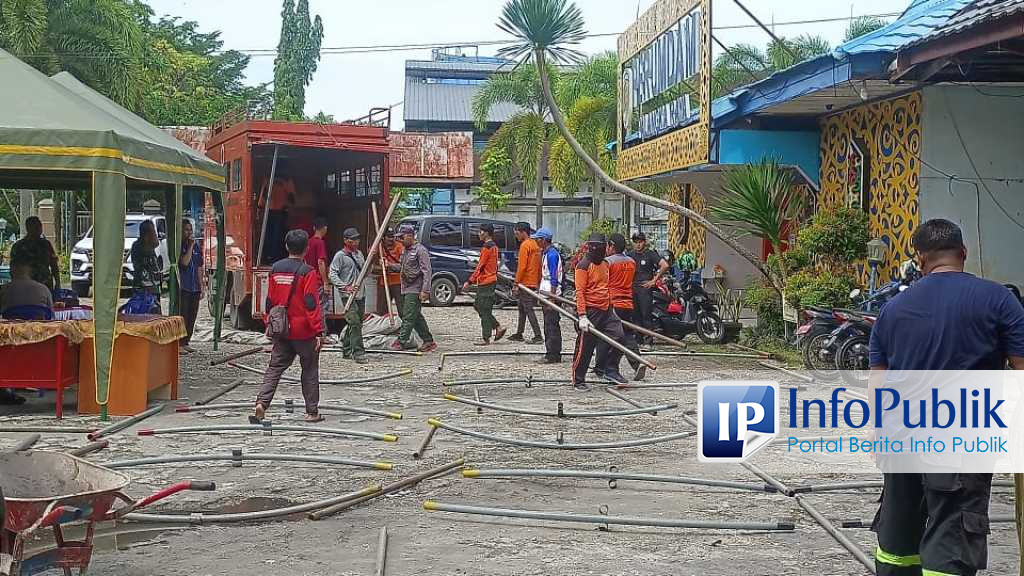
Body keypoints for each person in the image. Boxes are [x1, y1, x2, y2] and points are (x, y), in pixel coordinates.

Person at [868, 219, 1024, 576]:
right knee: (951, 537)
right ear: (964, 253)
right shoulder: (999, 300)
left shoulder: (891, 310)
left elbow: (879, 381)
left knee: (898, 537)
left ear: (920, 259)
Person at [253, 229, 324, 423]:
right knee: (309, 369)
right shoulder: (307, 272)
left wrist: (269, 321)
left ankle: (262, 402)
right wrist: (318, 330)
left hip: (282, 329)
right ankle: (311, 412)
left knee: (274, 368)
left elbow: (269, 300)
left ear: (286, 246)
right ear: (307, 249)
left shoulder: (275, 268)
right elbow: (311, 303)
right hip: (304, 331)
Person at [571, 233, 631, 389]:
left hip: (607, 309)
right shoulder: (583, 266)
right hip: (591, 311)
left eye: (600, 246)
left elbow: (606, 286)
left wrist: (610, 304)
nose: (597, 249)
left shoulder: (605, 264)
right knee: (586, 347)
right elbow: (580, 292)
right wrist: (582, 315)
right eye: (594, 246)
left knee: (619, 337)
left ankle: (610, 369)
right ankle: (578, 379)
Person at [599, 233, 645, 381]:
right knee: (628, 334)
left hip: (613, 303)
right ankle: (637, 363)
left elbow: (603, 282)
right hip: (628, 303)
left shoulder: (608, 262)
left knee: (607, 336)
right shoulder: (631, 262)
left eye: (608, 245)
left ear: (611, 246)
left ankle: (604, 368)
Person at [389, 224, 437, 352]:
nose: (400, 240)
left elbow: (427, 271)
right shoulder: (406, 251)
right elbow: (403, 268)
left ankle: (401, 341)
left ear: (410, 236)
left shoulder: (420, 250)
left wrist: (425, 290)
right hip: (406, 286)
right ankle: (428, 341)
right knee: (416, 316)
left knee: (408, 315)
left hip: (416, 288)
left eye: (402, 237)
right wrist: (389, 265)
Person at [462, 223, 506, 346]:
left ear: (486, 233)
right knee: (478, 305)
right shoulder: (493, 246)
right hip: (488, 280)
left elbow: (480, 266)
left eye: (481, 231)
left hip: (486, 281)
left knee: (484, 308)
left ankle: (486, 337)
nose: (479, 234)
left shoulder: (487, 247)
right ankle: (497, 327)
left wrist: (469, 281)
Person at [329, 227, 367, 364]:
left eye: (357, 239)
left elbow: (364, 272)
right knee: (354, 322)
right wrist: (344, 287)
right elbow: (332, 274)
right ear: (346, 240)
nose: (356, 242)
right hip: (347, 295)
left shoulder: (359, 254)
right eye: (353, 239)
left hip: (361, 293)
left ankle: (346, 349)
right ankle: (358, 352)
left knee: (357, 323)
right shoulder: (340, 256)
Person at [626, 232, 668, 344]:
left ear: (644, 242)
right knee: (635, 316)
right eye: (635, 242)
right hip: (633, 288)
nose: (638, 245)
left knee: (646, 315)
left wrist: (654, 280)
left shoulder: (650, 254)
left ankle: (648, 340)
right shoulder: (630, 255)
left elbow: (665, 265)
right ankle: (638, 340)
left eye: (640, 242)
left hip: (645, 289)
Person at [533, 227, 562, 364]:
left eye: (538, 239)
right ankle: (551, 352)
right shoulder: (546, 253)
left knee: (552, 325)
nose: (536, 242)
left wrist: (552, 297)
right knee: (548, 324)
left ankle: (553, 354)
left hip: (552, 295)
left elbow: (554, 277)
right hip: (546, 293)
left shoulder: (552, 255)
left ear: (544, 240)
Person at [510, 222, 542, 343]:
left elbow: (522, 267)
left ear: (523, 232)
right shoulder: (535, 245)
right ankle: (519, 333)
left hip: (525, 282)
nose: (516, 236)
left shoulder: (525, 245)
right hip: (533, 282)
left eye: (517, 233)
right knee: (522, 308)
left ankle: (538, 335)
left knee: (528, 309)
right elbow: (539, 266)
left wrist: (516, 283)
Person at [10, 216, 60, 291]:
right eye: (36, 227)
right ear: (28, 228)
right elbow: (14, 268)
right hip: (25, 285)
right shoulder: (19, 246)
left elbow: (53, 264)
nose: (39, 229)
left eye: (40, 226)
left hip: (45, 283)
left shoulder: (45, 244)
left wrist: (58, 282)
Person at [178, 219, 202, 353]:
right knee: (183, 314)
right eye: (186, 230)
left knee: (192, 316)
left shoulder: (197, 247)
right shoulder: (181, 246)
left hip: (195, 287)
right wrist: (190, 247)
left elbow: (199, 266)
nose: (189, 232)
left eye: (190, 229)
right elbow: (185, 262)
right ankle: (180, 342)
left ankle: (187, 341)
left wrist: (202, 286)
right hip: (184, 286)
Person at [130, 219, 163, 313]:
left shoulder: (151, 247)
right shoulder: (139, 246)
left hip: (154, 287)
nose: (155, 234)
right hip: (143, 288)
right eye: (153, 231)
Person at [306, 217, 330, 318]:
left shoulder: (308, 242)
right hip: (318, 281)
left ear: (313, 228)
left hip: (309, 279)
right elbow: (320, 262)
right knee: (321, 308)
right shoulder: (320, 243)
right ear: (325, 228)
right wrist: (325, 282)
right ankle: (321, 332)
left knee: (311, 307)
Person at [381, 228, 404, 311]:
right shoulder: (379, 247)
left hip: (398, 282)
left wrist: (389, 265)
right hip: (384, 282)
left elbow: (403, 266)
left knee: (401, 308)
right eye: (389, 237)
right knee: (383, 309)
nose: (391, 239)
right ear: (384, 237)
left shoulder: (399, 247)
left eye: (392, 236)